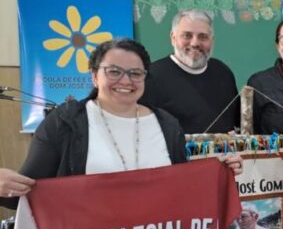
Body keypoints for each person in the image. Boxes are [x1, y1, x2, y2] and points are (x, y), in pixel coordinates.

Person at [0, 38, 242, 210]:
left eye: (136, 73)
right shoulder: (65, 123)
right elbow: (22, 196)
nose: (126, 81)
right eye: (113, 71)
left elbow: (180, 188)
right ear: (94, 75)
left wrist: (217, 171)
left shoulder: (167, 124)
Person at [140, 9, 241, 134]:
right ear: (173, 37)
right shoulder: (150, 77)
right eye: (187, 35)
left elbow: (236, 124)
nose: (195, 43)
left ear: (212, 40)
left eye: (203, 37)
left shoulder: (224, 73)